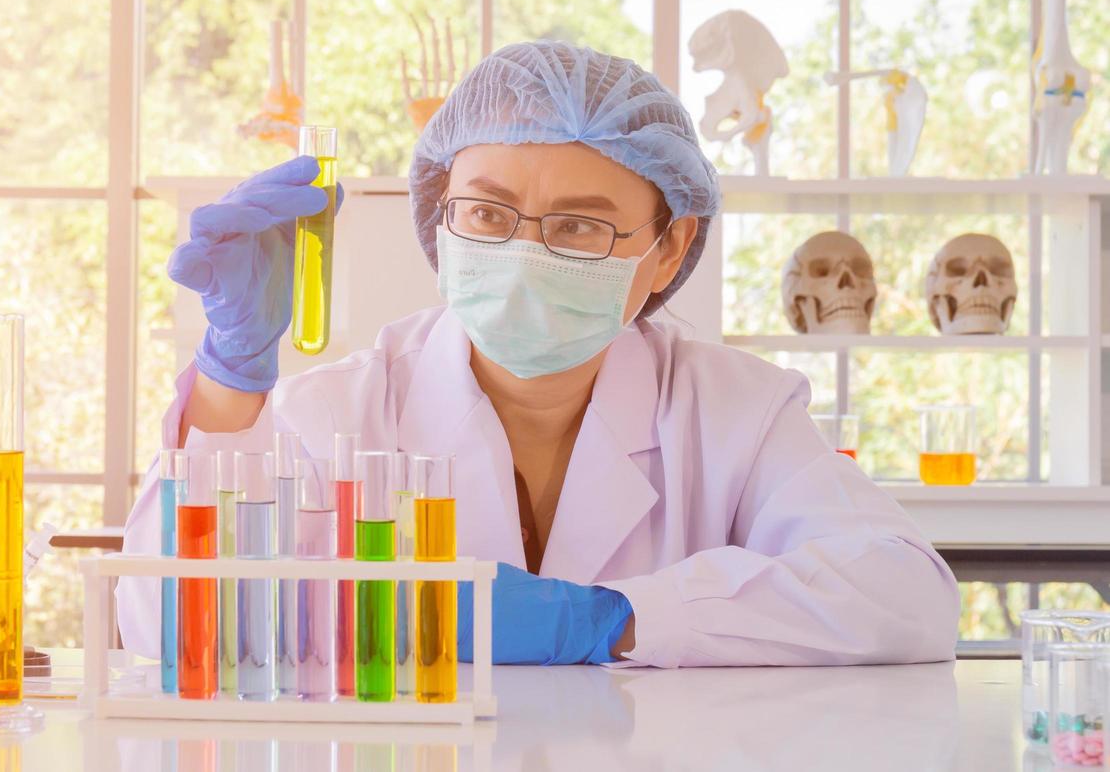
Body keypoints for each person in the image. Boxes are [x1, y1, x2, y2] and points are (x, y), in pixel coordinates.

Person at [117, 40, 959, 667]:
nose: (524, 254)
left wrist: (604, 617)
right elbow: (160, 621)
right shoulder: (339, 409)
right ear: (438, 217)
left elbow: (907, 597)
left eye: (580, 226)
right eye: (486, 213)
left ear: (669, 250)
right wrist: (229, 384)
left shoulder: (735, 408)